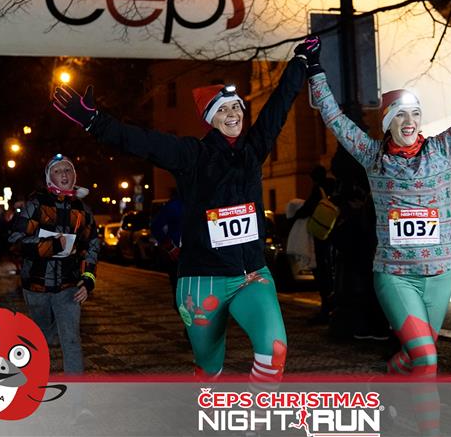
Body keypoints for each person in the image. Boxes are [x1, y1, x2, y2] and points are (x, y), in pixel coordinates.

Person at [51, 38, 319, 382]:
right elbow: (143, 141)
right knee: (209, 368)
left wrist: (299, 62)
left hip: (251, 275)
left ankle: (252, 412)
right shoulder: (192, 155)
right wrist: (94, 121)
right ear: (210, 119)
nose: (232, 114)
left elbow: (278, 107)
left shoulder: (254, 150)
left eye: (236, 107)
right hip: (202, 281)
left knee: (274, 351)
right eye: (222, 110)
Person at [308, 32, 451, 378]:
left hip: (439, 276)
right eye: (400, 115)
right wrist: (315, 69)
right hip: (396, 276)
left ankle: (392, 384)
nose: (409, 122)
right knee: (426, 358)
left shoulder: (441, 148)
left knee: (416, 356)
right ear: (387, 123)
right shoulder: (372, 156)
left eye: (415, 114)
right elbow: (334, 118)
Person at [8, 154, 99, 373]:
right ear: (50, 177)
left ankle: (75, 393)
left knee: (71, 340)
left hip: (69, 286)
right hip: (36, 286)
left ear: (74, 175)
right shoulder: (36, 204)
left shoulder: (82, 209)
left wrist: (88, 281)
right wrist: (53, 245)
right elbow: (14, 241)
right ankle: (36, 383)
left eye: (67, 170)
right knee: (40, 339)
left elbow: (92, 246)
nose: (63, 175)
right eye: (57, 171)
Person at [294, 165, 336, 323]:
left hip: (321, 234)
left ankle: (326, 309)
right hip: (333, 233)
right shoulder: (334, 185)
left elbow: (308, 208)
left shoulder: (318, 189)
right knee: (331, 272)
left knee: (323, 272)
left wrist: (294, 216)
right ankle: (331, 307)